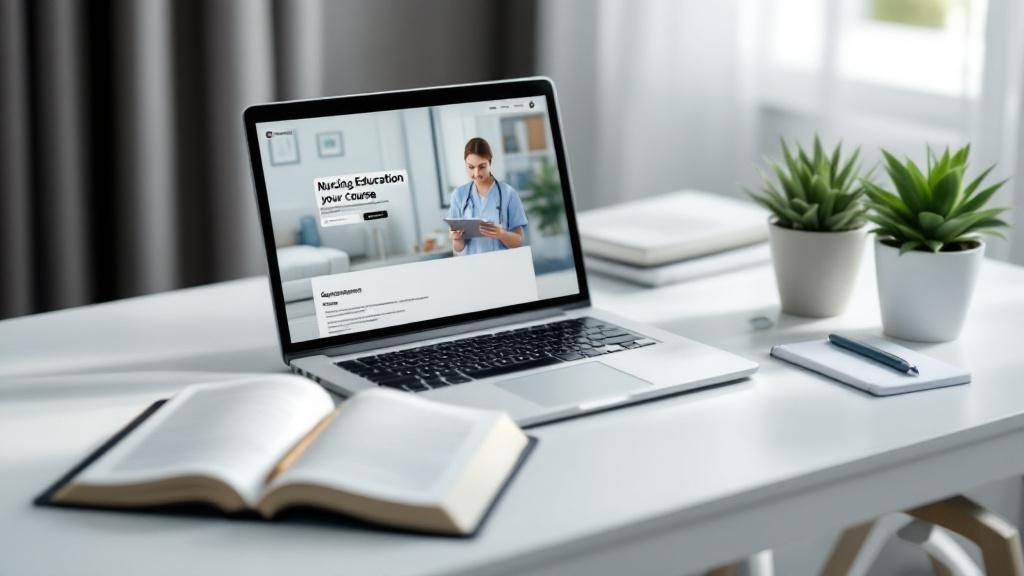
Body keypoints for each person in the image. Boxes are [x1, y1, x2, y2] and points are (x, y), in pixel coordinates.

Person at [448, 137, 528, 255]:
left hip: (502, 266)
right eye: (471, 167)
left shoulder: (508, 194)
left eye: (482, 167)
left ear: (490, 162)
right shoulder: (459, 195)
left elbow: (519, 242)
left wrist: (501, 234)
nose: (476, 173)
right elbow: (458, 248)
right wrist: (456, 238)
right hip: (472, 267)